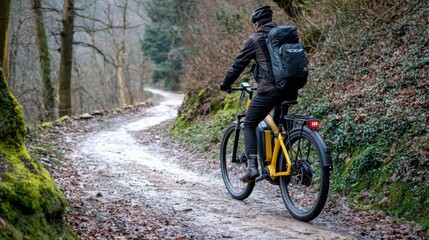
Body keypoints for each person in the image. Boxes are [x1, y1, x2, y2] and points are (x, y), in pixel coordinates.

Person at [219, 5, 298, 182]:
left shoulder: (254, 39)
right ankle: (280, 166)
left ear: (257, 23)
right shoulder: (284, 36)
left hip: (270, 90)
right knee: (279, 127)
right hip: (291, 88)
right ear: (271, 20)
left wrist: (225, 84)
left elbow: (237, 66)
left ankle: (252, 167)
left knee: (249, 123)